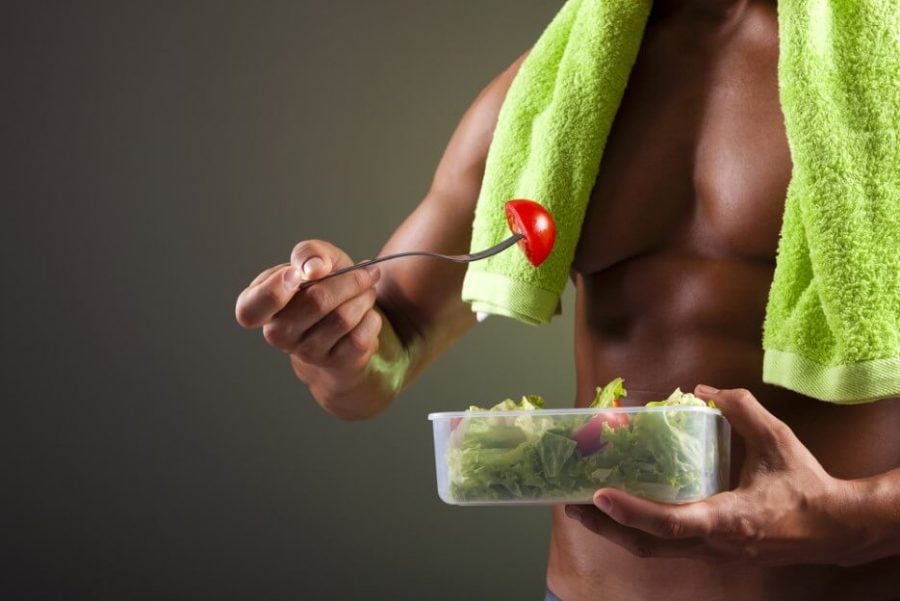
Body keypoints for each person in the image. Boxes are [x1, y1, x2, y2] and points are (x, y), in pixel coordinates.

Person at [235, 1, 900, 599]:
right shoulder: (552, 96)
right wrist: (334, 339)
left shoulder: (885, 79)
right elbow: (384, 353)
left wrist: (855, 520)